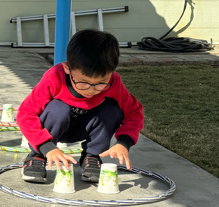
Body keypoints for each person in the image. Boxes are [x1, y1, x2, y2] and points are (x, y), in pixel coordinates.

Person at [16, 29, 144, 184]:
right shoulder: (54, 78)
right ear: (67, 68)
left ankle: (92, 156)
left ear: (112, 72)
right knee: (58, 109)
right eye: (83, 83)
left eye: (101, 83)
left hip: (87, 129)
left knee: (111, 109)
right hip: (56, 128)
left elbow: (134, 113)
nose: (92, 90)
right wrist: (47, 147)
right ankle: (37, 156)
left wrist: (123, 143)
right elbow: (26, 113)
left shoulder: (114, 83)